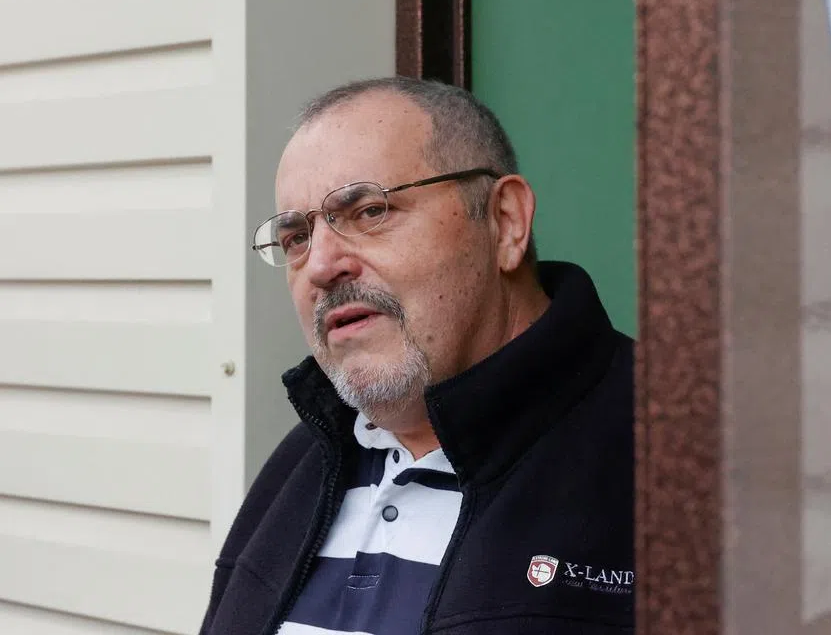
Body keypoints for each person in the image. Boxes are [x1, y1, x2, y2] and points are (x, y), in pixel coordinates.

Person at [198, 77, 635, 635]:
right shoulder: (303, 462)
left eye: (369, 211)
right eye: (295, 239)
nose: (321, 265)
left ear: (505, 221)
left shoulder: (668, 450)